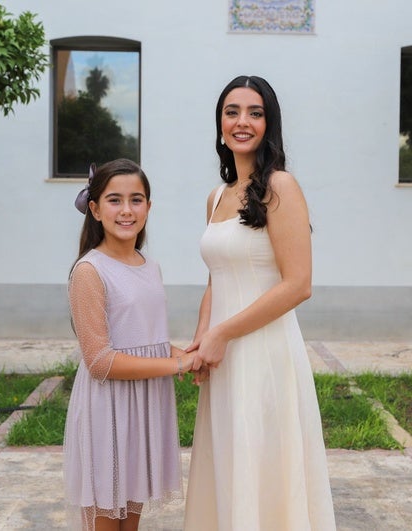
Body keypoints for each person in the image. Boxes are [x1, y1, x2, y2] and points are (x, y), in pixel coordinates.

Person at [183, 76, 337, 530]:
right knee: (229, 464)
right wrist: (201, 342)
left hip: (265, 352)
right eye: (232, 112)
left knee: (265, 464)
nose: (242, 121)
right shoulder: (216, 197)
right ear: (220, 123)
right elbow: (216, 280)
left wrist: (223, 332)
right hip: (222, 356)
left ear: (269, 123)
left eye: (254, 112)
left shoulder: (282, 187)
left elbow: (299, 284)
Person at [63, 158, 197, 531]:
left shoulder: (149, 266)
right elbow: (100, 361)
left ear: (149, 207)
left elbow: (149, 341)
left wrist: (186, 354)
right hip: (107, 412)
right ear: (95, 209)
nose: (126, 210)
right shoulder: (90, 271)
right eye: (114, 200)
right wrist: (177, 366)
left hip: (143, 412)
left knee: (130, 525)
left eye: (136, 200)